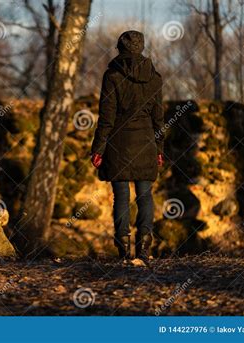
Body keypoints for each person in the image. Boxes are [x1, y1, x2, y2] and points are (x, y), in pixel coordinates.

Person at [90, 30, 164, 259]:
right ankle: (144, 246)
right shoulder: (154, 77)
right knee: (145, 195)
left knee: (121, 196)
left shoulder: (111, 76)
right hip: (146, 143)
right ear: (140, 48)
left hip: (118, 143)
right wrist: (159, 149)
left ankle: (123, 249)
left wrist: (98, 149)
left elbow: (106, 118)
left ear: (120, 48)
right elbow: (158, 118)